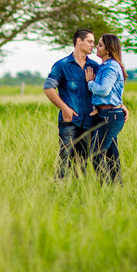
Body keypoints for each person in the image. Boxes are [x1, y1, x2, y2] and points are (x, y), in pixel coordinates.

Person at [42, 29, 100, 179]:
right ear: (79, 41)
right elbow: (48, 87)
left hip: (89, 121)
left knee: (83, 162)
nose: (93, 45)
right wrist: (64, 107)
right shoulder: (62, 65)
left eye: (94, 42)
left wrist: (119, 105)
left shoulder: (94, 66)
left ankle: (79, 193)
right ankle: (59, 192)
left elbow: (106, 90)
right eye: (90, 41)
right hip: (69, 122)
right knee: (65, 159)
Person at [85, 33, 127, 183]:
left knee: (96, 155)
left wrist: (90, 82)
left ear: (108, 49)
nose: (96, 46)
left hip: (111, 115)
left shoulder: (111, 67)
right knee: (111, 156)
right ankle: (116, 187)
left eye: (100, 45)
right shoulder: (104, 66)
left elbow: (104, 90)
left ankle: (106, 187)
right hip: (107, 114)